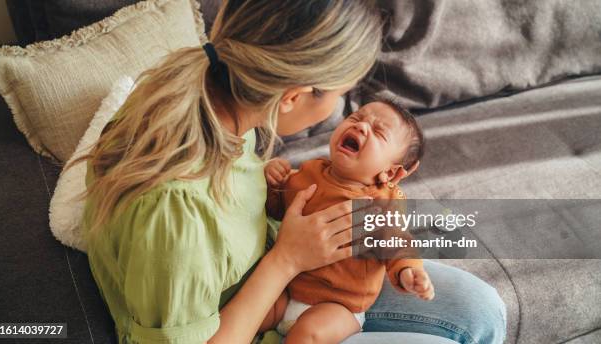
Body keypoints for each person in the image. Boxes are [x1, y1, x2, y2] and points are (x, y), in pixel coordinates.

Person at [69, 0, 506, 343]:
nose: (343, 113)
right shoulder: (174, 215)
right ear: (293, 97)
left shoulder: (213, 95)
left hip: (300, 270)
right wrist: (287, 260)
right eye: (342, 97)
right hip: (256, 309)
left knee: (483, 309)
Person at [262, 99, 434, 343]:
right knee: (256, 310)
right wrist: (273, 184)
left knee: (309, 332)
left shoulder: (379, 205)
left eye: (378, 132)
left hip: (338, 305)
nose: (362, 127)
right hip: (288, 289)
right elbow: (277, 209)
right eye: (356, 118)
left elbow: (397, 242)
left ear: (390, 173)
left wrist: (409, 270)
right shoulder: (310, 172)